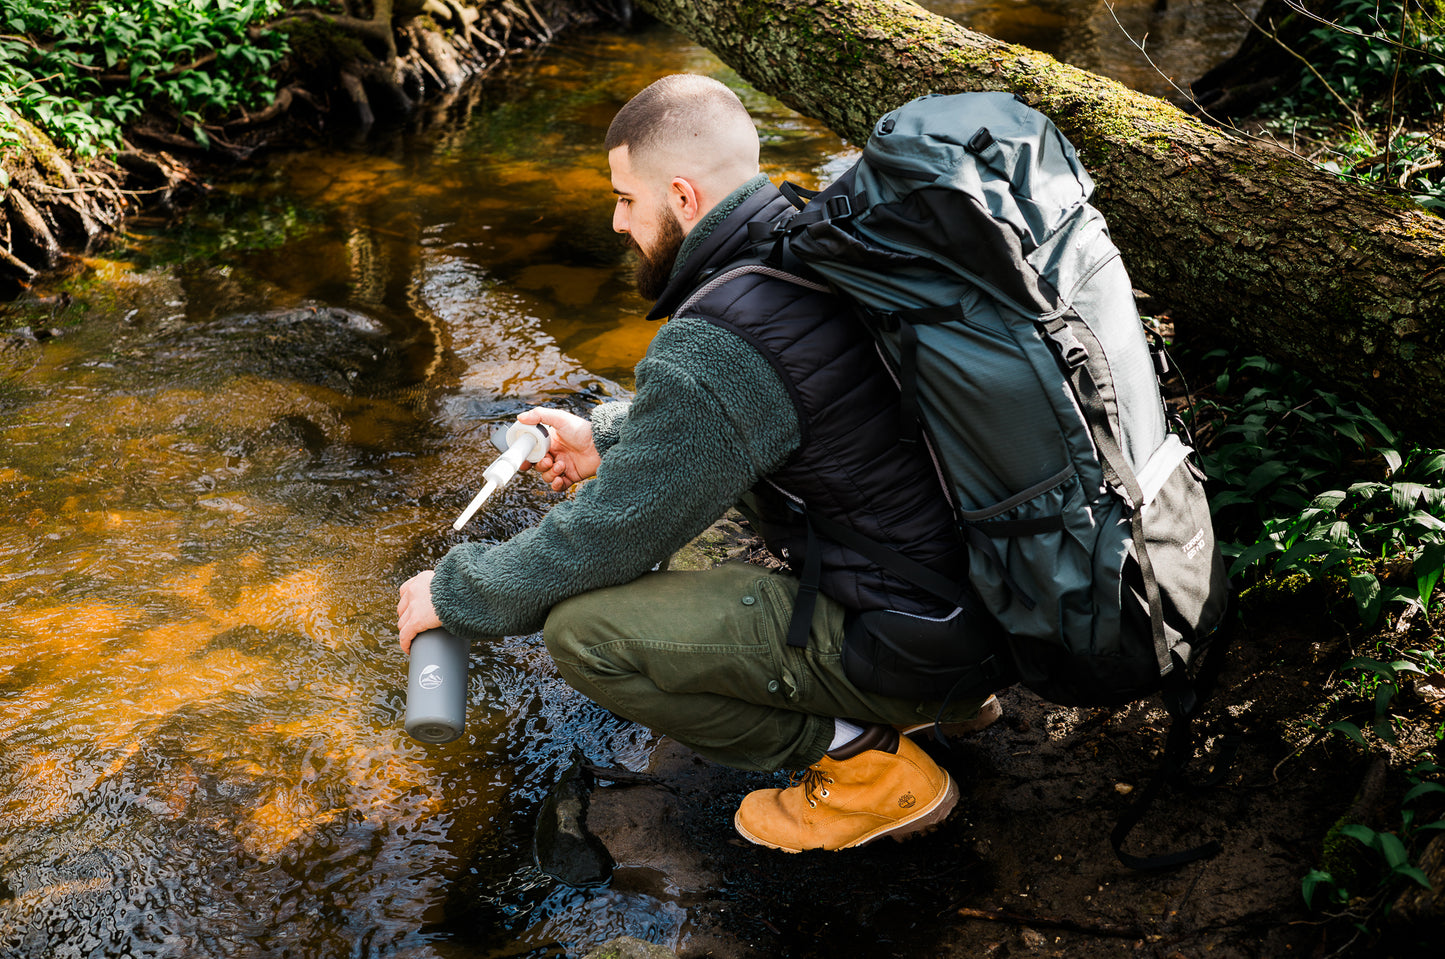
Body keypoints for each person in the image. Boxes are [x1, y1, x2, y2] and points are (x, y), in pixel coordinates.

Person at [396, 73, 1005, 854]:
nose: (618, 222)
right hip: (988, 597)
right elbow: (779, 405)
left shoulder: (719, 339)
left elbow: (608, 538)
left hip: (910, 634)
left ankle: (867, 769)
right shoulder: (814, 243)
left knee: (585, 631)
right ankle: (951, 697)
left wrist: (455, 592)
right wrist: (604, 436)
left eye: (624, 198)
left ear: (682, 197)